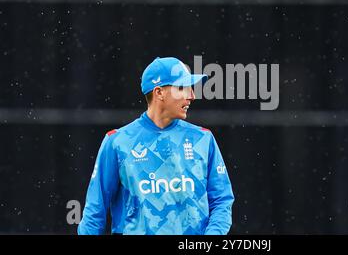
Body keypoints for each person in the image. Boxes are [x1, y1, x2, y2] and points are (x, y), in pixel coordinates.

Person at [77, 57, 234, 235]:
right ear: (159, 92)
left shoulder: (203, 139)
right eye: (182, 88)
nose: (192, 96)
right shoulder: (117, 142)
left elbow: (222, 201)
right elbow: (94, 212)